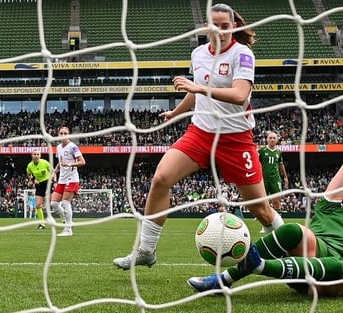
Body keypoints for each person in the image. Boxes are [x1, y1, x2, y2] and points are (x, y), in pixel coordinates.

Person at [113, 3, 284, 270]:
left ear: (234, 27)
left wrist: (200, 87)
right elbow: (195, 92)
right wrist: (176, 112)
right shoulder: (198, 53)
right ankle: (146, 250)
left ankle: (293, 247)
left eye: (226, 26)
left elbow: (240, 96)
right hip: (200, 132)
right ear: (206, 27)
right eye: (215, 26)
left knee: (260, 209)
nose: (221, 31)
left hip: (235, 138)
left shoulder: (243, 54)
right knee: (161, 178)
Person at [187, 160, 343, 297]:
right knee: (295, 231)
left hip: (335, 282)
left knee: (341, 268)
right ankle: (224, 279)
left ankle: (259, 266)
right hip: (308, 266)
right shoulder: (331, 208)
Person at [51, 126, 86, 237]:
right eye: (61, 133)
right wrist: (54, 172)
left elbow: (82, 162)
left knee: (66, 203)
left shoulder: (73, 147)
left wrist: (70, 164)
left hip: (72, 178)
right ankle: (67, 221)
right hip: (62, 178)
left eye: (65, 133)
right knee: (54, 204)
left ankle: (68, 230)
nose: (63, 135)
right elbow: (60, 162)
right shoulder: (58, 147)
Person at [257, 131, 289, 233]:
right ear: (267, 139)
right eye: (270, 138)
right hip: (264, 179)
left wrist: (285, 177)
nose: (272, 140)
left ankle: (279, 225)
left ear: (277, 140)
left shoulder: (278, 152)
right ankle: (265, 225)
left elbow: (280, 165)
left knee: (277, 201)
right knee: (264, 202)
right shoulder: (262, 150)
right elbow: (256, 163)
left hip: (275, 179)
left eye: (274, 138)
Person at [26, 150, 54, 230]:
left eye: (38, 154)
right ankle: (42, 224)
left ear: (40, 155)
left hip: (48, 183)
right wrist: (32, 180)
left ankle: (64, 220)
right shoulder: (30, 166)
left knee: (54, 203)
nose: (36, 156)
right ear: (32, 155)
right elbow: (29, 174)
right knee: (38, 205)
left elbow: (53, 171)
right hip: (39, 185)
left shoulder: (44, 162)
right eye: (34, 154)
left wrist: (52, 178)